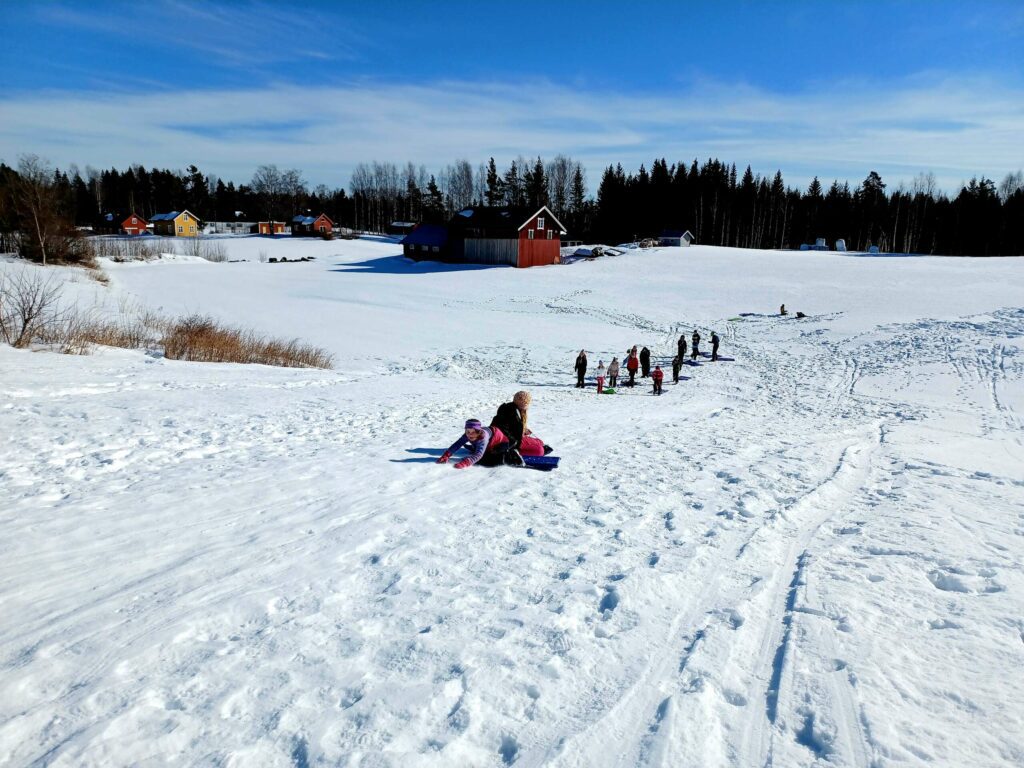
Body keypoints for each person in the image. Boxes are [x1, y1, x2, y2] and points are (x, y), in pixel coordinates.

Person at [437, 419, 521, 468]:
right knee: (478, 449)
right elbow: (457, 444)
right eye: (467, 431)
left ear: (478, 432)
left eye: (473, 432)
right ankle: (475, 448)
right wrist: (446, 455)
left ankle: (511, 448)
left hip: (501, 443)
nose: (469, 434)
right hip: (488, 442)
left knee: (489, 457)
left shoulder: (483, 437)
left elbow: (478, 455)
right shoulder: (467, 435)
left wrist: (467, 462)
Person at [491, 391, 550, 456]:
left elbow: (513, 428)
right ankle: (514, 454)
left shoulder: (516, 410)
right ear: (524, 403)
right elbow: (503, 429)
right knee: (539, 451)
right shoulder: (510, 412)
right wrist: (513, 444)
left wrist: (524, 430)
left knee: (540, 442)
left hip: (516, 438)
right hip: (509, 441)